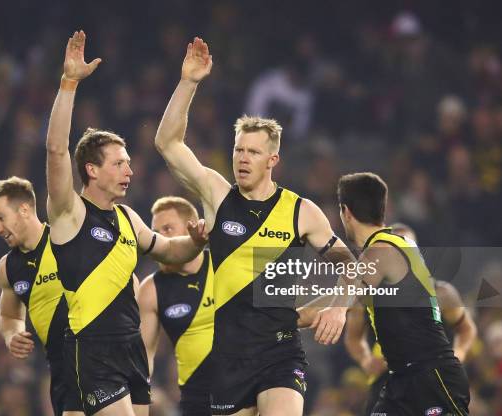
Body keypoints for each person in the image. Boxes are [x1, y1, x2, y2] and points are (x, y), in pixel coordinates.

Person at [154, 37, 355, 416]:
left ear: (272, 159)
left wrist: (338, 308)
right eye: (238, 150)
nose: (243, 159)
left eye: (253, 152)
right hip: (228, 358)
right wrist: (189, 83)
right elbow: (167, 143)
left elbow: (352, 266)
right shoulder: (216, 195)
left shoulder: (301, 211)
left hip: (280, 351)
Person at [45, 31, 207, 416]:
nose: (130, 171)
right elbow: (55, 149)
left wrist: (196, 242)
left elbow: (170, 250)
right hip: (94, 347)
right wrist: (69, 83)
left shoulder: (128, 219)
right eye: (119, 163)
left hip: (131, 350)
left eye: (129, 163)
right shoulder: (70, 213)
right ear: (91, 170)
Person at [335, 172, 470, 415]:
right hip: (398, 379)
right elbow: (348, 320)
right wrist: (367, 360)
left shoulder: (382, 251)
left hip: (431, 374)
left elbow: (336, 300)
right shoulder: (388, 252)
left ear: (346, 212)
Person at [0, 176, 83, 416]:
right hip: (60, 371)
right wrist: (12, 335)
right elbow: (9, 315)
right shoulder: (7, 268)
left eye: (0, 218)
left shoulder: (66, 240)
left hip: (97, 360)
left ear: (24, 209)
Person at [138, 196, 215, 416]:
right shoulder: (150, 290)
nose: (160, 239)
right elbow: (143, 363)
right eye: (155, 232)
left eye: (168, 229)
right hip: (196, 401)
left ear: (192, 229)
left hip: (244, 393)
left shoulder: (224, 265)